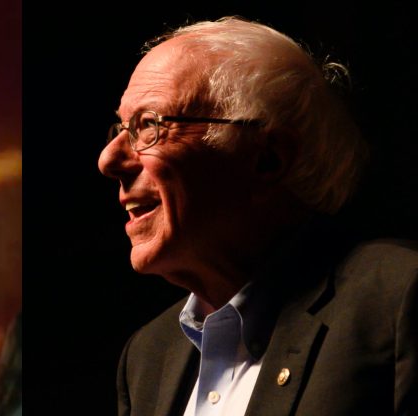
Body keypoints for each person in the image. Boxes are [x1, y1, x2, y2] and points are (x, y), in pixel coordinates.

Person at [98, 17, 417, 415]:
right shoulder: (148, 356)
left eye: (149, 125)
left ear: (267, 160)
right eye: (120, 127)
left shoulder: (398, 298)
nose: (108, 159)